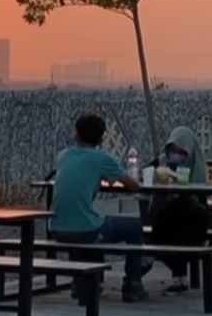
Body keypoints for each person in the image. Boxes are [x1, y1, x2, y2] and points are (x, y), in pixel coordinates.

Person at [50, 113, 151, 303]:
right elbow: (132, 185)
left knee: (88, 220)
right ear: (101, 138)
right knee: (134, 227)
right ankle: (133, 284)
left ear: (76, 135)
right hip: (85, 230)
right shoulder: (100, 157)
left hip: (56, 228)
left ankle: (83, 282)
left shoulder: (63, 155)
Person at [147, 126, 212, 296]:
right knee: (164, 221)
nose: (176, 155)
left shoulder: (197, 167)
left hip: (194, 218)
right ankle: (178, 276)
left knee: (173, 221)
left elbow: (199, 198)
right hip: (167, 219)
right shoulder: (162, 163)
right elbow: (143, 176)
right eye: (173, 150)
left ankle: (177, 275)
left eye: (181, 151)